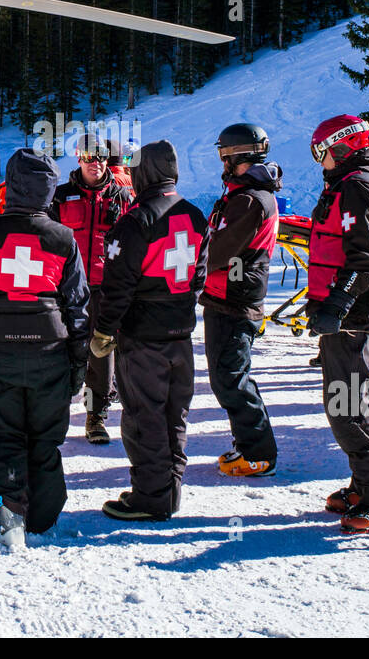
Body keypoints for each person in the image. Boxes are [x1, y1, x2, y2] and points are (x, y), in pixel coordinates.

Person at [0, 148, 91, 544]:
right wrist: (79, 359)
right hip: (51, 352)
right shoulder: (62, 238)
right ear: (47, 191)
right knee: (46, 438)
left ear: (9, 188)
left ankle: (8, 514)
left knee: (5, 434)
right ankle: (43, 520)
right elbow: (78, 304)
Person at [92, 140, 208, 521]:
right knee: (175, 415)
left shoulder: (136, 220)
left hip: (143, 336)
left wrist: (105, 330)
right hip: (180, 333)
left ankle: (151, 497)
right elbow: (199, 277)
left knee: (144, 417)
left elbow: (118, 284)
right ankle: (168, 489)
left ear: (143, 173)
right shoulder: (194, 214)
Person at [303, 114, 369, 534]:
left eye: (320, 153)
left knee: (347, 408)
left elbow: (363, 258)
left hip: (355, 313)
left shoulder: (358, 185)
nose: (319, 162)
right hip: (349, 311)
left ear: (340, 147)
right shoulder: (349, 183)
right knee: (344, 402)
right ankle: (363, 485)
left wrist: (336, 306)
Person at [202, 123, 282, 476]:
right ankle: (248, 445)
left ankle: (259, 453)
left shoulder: (249, 200)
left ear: (236, 155)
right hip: (227, 297)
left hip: (234, 300)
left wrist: (190, 260)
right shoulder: (243, 195)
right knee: (228, 378)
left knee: (232, 379)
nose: (222, 162)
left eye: (224, 155)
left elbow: (218, 250)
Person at [49, 132, 134, 443]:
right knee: (62, 350)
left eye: (99, 156)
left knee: (100, 354)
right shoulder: (60, 196)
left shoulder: (122, 197)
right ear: (78, 157)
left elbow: (136, 244)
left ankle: (94, 415)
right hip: (66, 287)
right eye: (88, 156)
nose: (94, 162)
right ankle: (49, 413)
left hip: (104, 287)